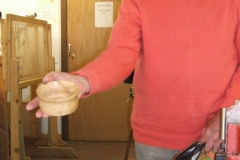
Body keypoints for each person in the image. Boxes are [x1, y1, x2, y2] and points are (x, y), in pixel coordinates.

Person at [26, 0, 240, 159]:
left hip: (217, 133)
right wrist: (82, 80)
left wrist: (225, 115)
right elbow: (121, 53)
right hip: (154, 133)